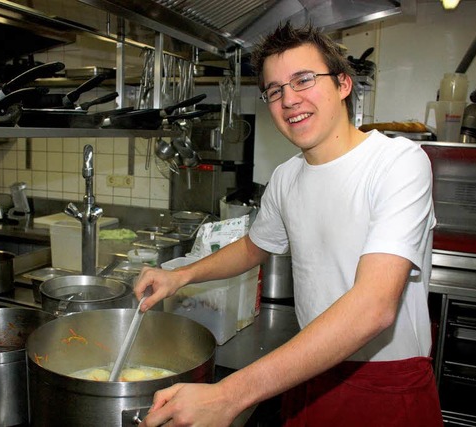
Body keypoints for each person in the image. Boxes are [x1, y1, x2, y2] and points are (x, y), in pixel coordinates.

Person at [134, 21, 442, 427]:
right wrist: (181, 275)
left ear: (343, 84)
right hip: (306, 369)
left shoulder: (397, 163)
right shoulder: (287, 176)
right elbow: (253, 246)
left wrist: (228, 395)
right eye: (275, 90)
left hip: (384, 385)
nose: (289, 100)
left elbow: (374, 308)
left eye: (304, 80)